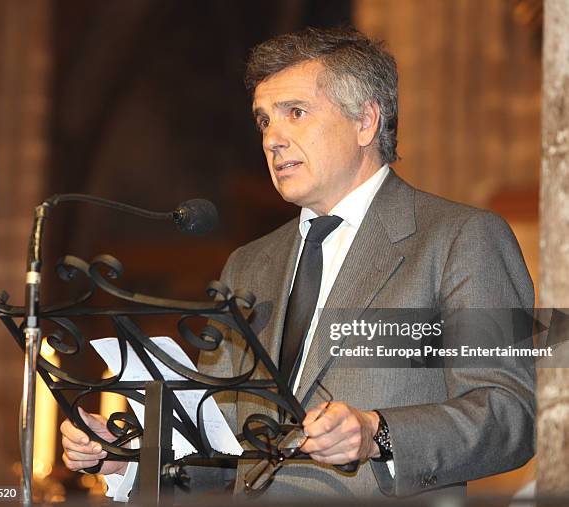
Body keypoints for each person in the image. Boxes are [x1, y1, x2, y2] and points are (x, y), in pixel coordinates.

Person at [61, 26, 535, 500]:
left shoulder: (461, 238)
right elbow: (222, 448)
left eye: (296, 113)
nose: (273, 139)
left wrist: (378, 433)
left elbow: (510, 412)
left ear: (366, 121)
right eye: (265, 120)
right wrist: (130, 457)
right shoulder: (248, 265)